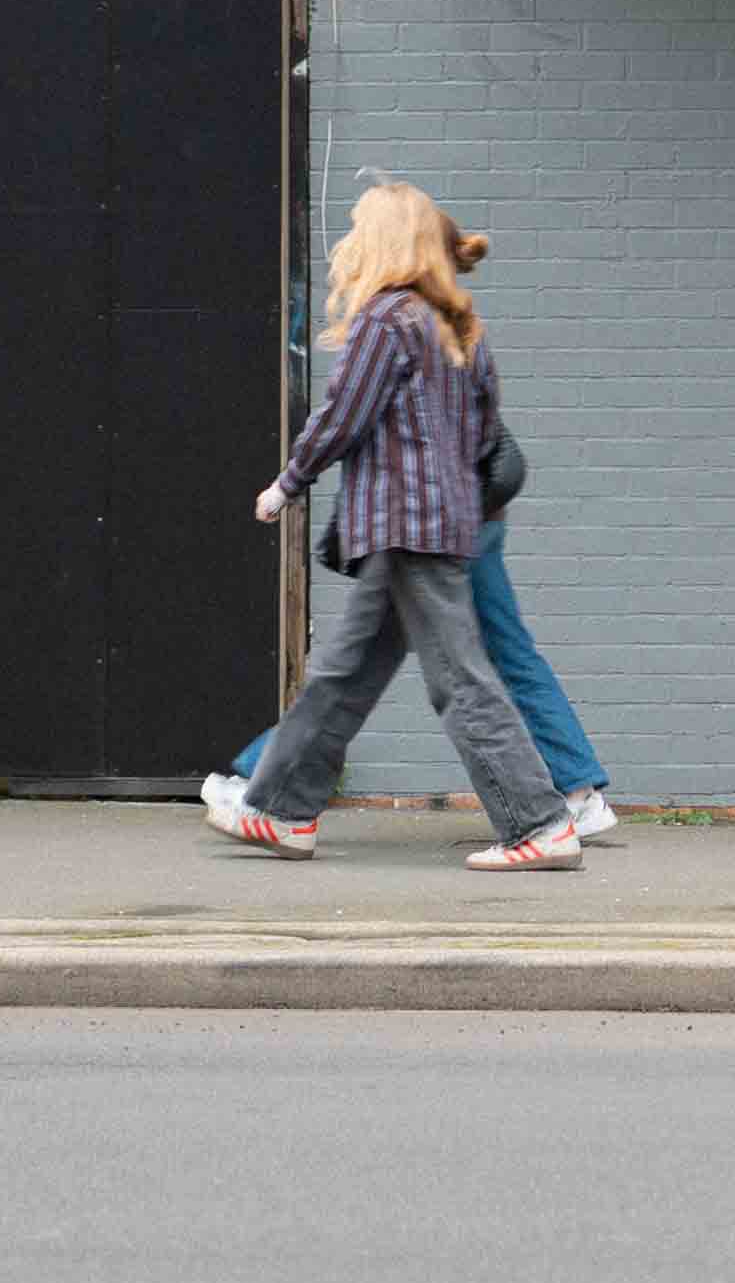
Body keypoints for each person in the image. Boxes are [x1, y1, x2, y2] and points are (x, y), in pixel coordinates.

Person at [205, 219, 618, 842]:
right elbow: (477, 431)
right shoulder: (451, 322)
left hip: (429, 524)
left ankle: (558, 804)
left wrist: (290, 483)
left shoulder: (394, 321)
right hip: (458, 517)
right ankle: (273, 792)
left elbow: (346, 416)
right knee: (380, 662)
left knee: (441, 669)